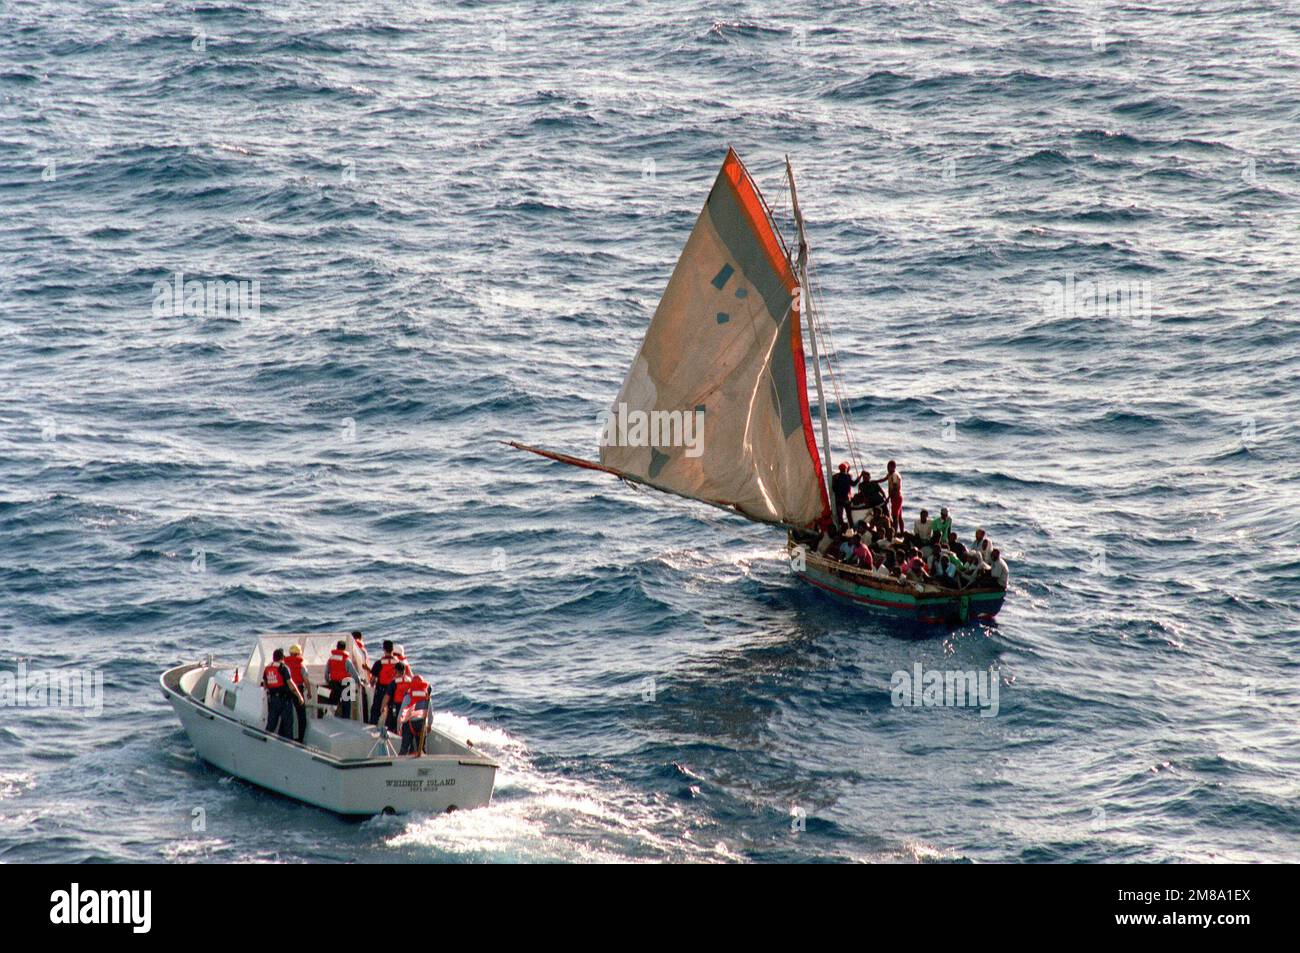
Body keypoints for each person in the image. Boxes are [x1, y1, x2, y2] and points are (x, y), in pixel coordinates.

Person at [261, 648, 302, 740]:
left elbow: (265, 684)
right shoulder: (283, 667)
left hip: (273, 700)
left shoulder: (267, 668)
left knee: (271, 724)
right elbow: (290, 684)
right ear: (283, 657)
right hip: (285, 700)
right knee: (288, 725)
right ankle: (289, 746)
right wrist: (299, 696)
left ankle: (265, 740)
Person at [282, 643, 310, 742]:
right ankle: (301, 739)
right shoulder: (301, 664)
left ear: (290, 653)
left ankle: (283, 736)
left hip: (285, 691)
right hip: (298, 690)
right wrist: (309, 692)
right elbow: (306, 679)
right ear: (299, 654)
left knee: (285, 714)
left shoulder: (284, 664)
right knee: (301, 716)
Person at [325, 640, 360, 719]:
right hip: (346, 683)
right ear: (344, 649)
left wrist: (328, 680)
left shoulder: (331, 659)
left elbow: (326, 672)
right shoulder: (346, 660)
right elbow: (353, 672)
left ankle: (329, 718)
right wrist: (358, 681)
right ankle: (346, 720)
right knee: (346, 704)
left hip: (334, 683)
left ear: (337, 647)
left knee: (333, 703)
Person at [399, 673, 431, 756]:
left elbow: (401, 714)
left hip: (409, 724)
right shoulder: (427, 697)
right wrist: (429, 725)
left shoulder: (408, 697)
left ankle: (399, 765)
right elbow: (430, 713)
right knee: (422, 749)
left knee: (404, 748)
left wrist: (399, 726)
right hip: (422, 724)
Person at [368, 640, 398, 726]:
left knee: (376, 710)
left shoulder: (378, 663)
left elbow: (373, 680)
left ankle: (372, 727)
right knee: (393, 710)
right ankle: (393, 729)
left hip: (381, 690)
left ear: (384, 650)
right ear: (393, 650)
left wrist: (372, 684)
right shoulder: (398, 663)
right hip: (394, 690)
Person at [386, 662, 412, 733]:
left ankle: (392, 733)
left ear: (396, 671)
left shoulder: (394, 682)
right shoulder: (410, 681)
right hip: (407, 707)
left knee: (392, 720)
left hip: (395, 707)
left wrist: (382, 707)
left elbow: (387, 697)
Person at [831, 463, 854, 529]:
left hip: (839, 499)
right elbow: (853, 484)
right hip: (846, 499)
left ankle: (842, 528)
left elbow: (834, 488)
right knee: (849, 516)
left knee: (840, 516)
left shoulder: (835, 476)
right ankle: (851, 528)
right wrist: (859, 477)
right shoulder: (848, 476)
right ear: (846, 469)